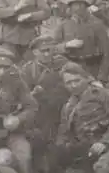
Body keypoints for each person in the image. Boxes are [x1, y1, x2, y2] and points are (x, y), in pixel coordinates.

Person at [50, 62, 109, 173]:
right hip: (90, 150)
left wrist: (105, 142)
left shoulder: (103, 94)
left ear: (86, 78)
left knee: (102, 167)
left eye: (77, 80)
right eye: (69, 83)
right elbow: (63, 134)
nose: (74, 85)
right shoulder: (68, 107)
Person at [19, 35, 71, 173]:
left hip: (59, 110)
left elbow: (70, 84)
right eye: (44, 51)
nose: (48, 54)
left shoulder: (62, 64)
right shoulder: (27, 70)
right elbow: (22, 93)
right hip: (37, 114)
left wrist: (47, 93)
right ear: (35, 52)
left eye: (50, 50)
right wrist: (33, 93)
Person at [52, 0, 109, 81]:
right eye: (74, 4)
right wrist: (66, 45)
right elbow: (53, 48)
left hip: (93, 68)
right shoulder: (63, 25)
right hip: (71, 68)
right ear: (70, 6)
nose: (77, 8)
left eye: (81, 4)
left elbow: (108, 52)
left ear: (86, 5)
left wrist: (102, 75)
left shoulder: (96, 24)